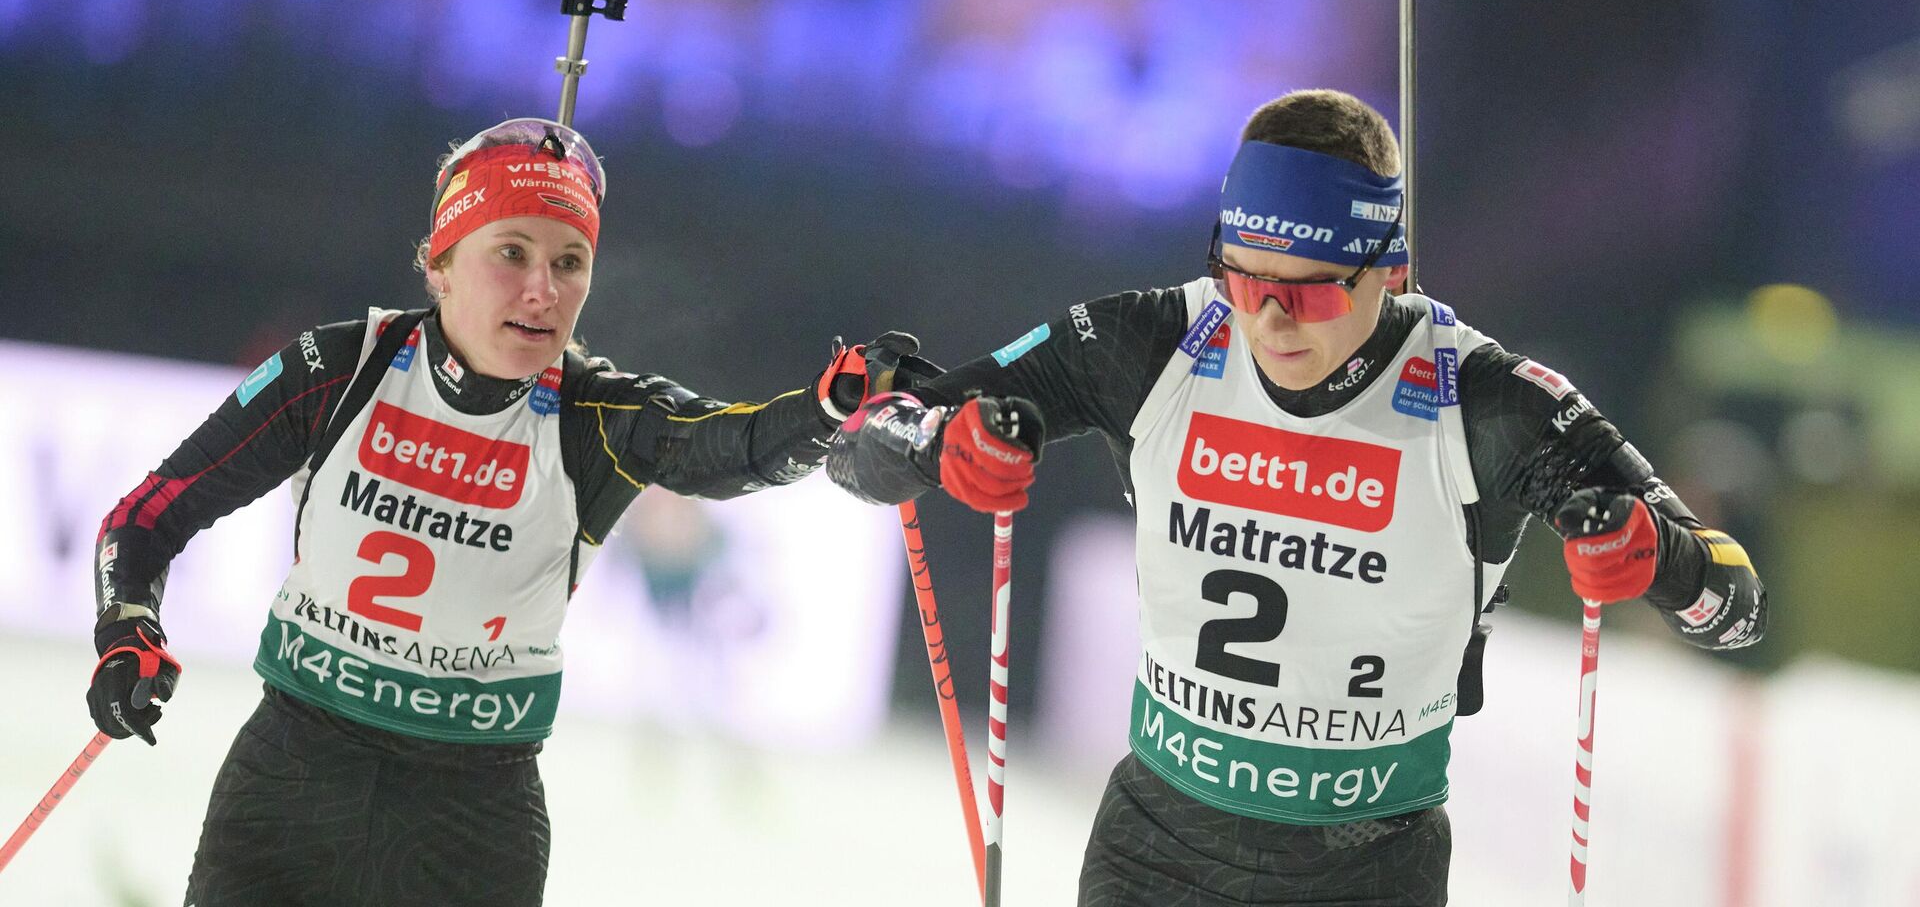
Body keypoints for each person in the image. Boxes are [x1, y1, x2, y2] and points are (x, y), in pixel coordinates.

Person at [825, 89, 1768, 906]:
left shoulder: (1487, 403)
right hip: (1156, 852)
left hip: (1365, 870)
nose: (1270, 320)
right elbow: (863, 441)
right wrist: (939, 445)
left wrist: (1658, 557)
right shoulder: (1155, 342)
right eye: (1245, 278)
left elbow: (1736, 605)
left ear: (1388, 269)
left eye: (1310, 293)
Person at [84, 117, 928, 907]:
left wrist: (828, 407)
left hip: (471, 819)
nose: (541, 290)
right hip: (293, 783)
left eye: (570, 262)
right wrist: (127, 626)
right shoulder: (341, 369)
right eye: (512, 252)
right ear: (440, 262)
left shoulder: (595, 415)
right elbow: (152, 513)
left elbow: (728, 447)